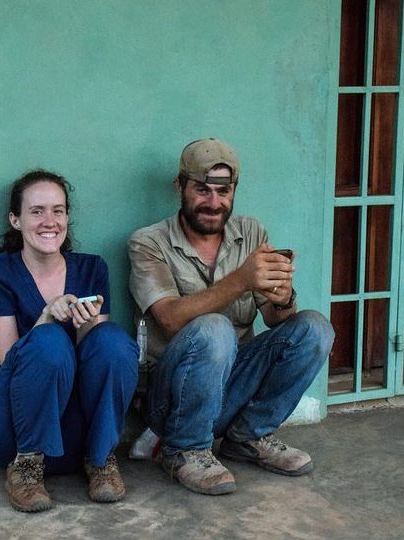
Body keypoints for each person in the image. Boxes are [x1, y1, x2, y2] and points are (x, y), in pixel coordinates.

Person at [128, 138, 335, 496]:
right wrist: (240, 280)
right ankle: (183, 450)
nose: (213, 202)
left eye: (223, 191)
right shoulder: (148, 243)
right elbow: (170, 319)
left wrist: (283, 298)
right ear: (180, 187)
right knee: (213, 327)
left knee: (315, 328)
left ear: (234, 190)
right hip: (171, 402)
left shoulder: (251, 233)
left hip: (233, 388)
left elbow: (275, 319)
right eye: (202, 190)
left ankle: (248, 436)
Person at [0, 169, 138, 512]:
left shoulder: (91, 269)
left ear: (67, 218)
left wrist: (83, 324)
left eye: (58, 210)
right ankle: (27, 470)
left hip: (77, 434)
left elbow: (97, 356)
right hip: (13, 432)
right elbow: (12, 361)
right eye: (37, 211)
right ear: (15, 220)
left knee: (113, 341)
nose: (49, 221)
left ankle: (101, 459)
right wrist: (46, 318)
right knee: (49, 342)